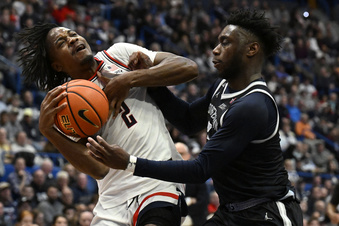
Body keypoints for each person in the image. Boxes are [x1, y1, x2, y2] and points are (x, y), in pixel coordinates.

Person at [86, 9, 303, 225]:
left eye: (225, 43)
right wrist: (144, 79)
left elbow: (200, 169)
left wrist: (129, 162)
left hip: (267, 212)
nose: (216, 50)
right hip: (232, 211)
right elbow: (188, 121)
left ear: (251, 49)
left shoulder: (253, 105)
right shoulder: (222, 86)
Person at [16, 22, 198, 225]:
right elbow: (98, 170)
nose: (73, 39)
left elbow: (188, 67)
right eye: (62, 42)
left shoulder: (118, 54)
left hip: (158, 180)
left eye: (73, 34)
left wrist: (130, 79)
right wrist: (48, 131)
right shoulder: (65, 106)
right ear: (57, 65)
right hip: (113, 199)